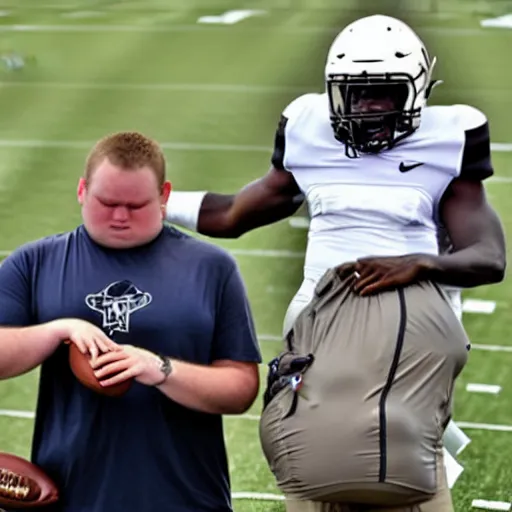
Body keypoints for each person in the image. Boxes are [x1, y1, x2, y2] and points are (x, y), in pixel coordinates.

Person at [164, 13, 506, 512]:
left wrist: (417, 264)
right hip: (319, 325)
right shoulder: (308, 128)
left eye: (384, 93)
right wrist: (155, 203)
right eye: (355, 93)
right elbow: (235, 212)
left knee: (403, 469)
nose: (368, 107)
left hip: (408, 332)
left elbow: (489, 257)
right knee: (317, 470)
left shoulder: (448, 138)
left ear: (415, 89)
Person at [0, 132, 261, 512]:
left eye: (136, 205)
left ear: (164, 196)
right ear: (81, 191)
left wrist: (160, 369)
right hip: (74, 498)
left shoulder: (211, 268)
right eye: (107, 202)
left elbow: (241, 388)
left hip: (186, 498)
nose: (120, 216)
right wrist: (60, 330)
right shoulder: (34, 263)